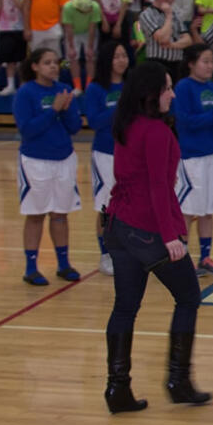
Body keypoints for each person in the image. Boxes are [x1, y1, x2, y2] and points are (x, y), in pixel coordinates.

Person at [102, 61, 211, 414]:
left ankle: (118, 389)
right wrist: (171, 236)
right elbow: (158, 187)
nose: (173, 94)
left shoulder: (126, 124)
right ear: (151, 93)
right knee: (189, 296)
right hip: (147, 230)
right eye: (167, 88)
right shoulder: (156, 132)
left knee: (125, 307)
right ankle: (178, 381)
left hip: (119, 226)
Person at [13, 47, 82, 286]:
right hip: (36, 161)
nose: (53, 66)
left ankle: (63, 264)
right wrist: (53, 110)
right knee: (35, 214)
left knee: (60, 214)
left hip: (64, 159)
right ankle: (31, 267)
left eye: (56, 63)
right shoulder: (26, 93)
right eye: (47, 62)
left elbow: (74, 128)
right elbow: (28, 130)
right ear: (35, 66)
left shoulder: (63, 91)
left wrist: (66, 110)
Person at [173, 44, 213, 279]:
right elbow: (187, 122)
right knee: (187, 210)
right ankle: (181, 258)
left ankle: (205, 256)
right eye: (205, 61)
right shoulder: (184, 88)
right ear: (191, 63)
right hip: (192, 158)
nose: (210, 66)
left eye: (212, 61)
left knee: (208, 209)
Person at [83, 42, 127, 277]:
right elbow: (95, 121)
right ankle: (106, 254)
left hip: (130, 153)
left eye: (124, 55)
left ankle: (128, 252)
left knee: (128, 206)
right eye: (116, 56)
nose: (122, 60)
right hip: (105, 154)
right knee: (106, 207)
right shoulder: (96, 89)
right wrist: (120, 107)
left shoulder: (132, 85)